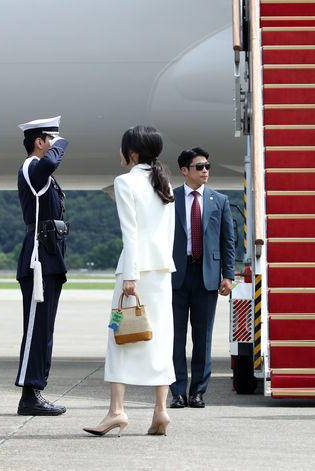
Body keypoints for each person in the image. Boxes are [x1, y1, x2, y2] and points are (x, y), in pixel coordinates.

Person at [83, 125, 176, 437]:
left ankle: (117, 411)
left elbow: (130, 232)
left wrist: (131, 277)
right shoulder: (165, 182)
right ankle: (161, 410)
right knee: (160, 338)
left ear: (132, 153)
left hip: (134, 272)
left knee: (120, 337)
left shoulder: (125, 182)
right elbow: (169, 235)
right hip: (162, 271)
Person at [170, 147, 234, 409]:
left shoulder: (219, 200)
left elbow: (227, 241)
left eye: (207, 166)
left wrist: (228, 275)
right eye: (199, 166)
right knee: (175, 338)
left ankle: (198, 392)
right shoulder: (169, 198)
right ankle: (176, 392)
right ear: (185, 170)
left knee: (203, 338)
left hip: (206, 275)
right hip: (176, 276)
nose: (205, 170)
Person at [15, 116, 69, 416]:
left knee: (44, 328)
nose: (55, 146)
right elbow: (49, 164)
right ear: (40, 142)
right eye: (51, 140)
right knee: (37, 328)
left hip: (49, 257)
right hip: (38, 258)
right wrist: (62, 143)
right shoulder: (32, 167)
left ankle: (36, 390)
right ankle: (29, 394)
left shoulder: (40, 171)